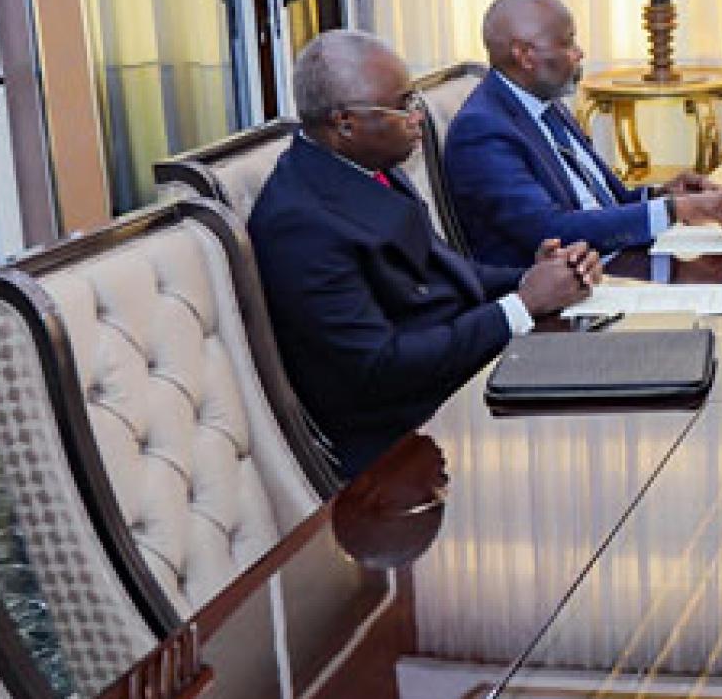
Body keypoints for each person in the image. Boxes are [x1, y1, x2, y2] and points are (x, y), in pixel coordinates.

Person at [250, 30, 597, 474]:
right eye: (402, 105)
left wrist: (543, 275)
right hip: (402, 444)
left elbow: (443, 273)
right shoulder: (300, 223)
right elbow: (380, 370)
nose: (418, 117)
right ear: (345, 123)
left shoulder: (363, 166)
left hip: (457, 385)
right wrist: (522, 305)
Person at [445, 0, 722, 264]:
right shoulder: (482, 132)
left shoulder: (545, 104)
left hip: (612, 266)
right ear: (525, 56)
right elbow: (551, 232)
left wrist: (662, 195)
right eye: (567, 43)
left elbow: (606, 201)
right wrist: (675, 211)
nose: (579, 53)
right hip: (558, 302)